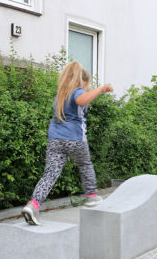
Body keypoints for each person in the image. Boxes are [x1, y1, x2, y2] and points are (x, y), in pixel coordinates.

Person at [21, 61, 113, 225]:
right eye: (87, 86)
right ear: (83, 82)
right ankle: (91, 196)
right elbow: (81, 100)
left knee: (50, 174)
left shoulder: (61, 95)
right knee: (85, 164)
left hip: (55, 139)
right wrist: (101, 89)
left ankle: (33, 205)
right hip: (74, 138)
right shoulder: (78, 91)